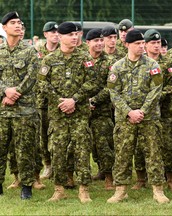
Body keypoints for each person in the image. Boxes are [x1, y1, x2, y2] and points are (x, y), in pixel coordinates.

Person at [38, 22, 101, 203]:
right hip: (58, 114)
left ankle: (83, 189)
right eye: (71, 34)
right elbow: (42, 83)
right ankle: (59, 189)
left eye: (76, 34)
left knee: (82, 150)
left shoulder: (85, 57)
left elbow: (93, 82)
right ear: (60, 36)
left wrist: (74, 99)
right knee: (57, 151)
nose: (75, 37)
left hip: (79, 113)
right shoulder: (49, 59)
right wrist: (61, 101)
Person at [107, 29, 169, 204]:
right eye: (137, 44)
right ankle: (121, 190)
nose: (141, 46)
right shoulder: (117, 67)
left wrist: (141, 111)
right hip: (125, 119)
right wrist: (129, 112)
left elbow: (156, 91)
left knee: (154, 153)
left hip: (148, 118)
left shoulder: (152, 66)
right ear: (127, 45)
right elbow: (113, 92)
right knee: (122, 154)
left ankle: (158, 190)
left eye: (143, 43)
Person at [132, 29, 172, 192]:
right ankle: (141, 178)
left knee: (168, 145)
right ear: (145, 45)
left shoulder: (169, 63)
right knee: (141, 145)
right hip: (145, 113)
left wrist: (157, 95)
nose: (156, 46)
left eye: (158, 43)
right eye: (152, 43)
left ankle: (171, 179)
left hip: (166, 112)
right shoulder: (139, 64)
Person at [0, 11, 39, 199]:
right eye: (13, 23)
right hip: (3, 110)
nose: (18, 25)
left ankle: (26, 186)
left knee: (25, 150)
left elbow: (33, 76)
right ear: (5, 27)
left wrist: (15, 94)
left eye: (20, 23)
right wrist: (5, 91)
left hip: (25, 110)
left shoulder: (29, 51)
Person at [85, 28, 115, 190]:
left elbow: (110, 86)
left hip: (102, 111)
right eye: (96, 40)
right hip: (82, 110)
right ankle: (99, 171)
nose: (99, 43)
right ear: (88, 42)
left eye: (101, 40)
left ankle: (109, 177)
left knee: (104, 144)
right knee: (89, 145)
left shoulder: (109, 62)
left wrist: (94, 100)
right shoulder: (82, 60)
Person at [37, 21, 59, 180]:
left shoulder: (63, 51)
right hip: (40, 101)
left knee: (57, 135)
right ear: (46, 35)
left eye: (57, 32)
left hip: (58, 102)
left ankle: (60, 166)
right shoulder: (37, 51)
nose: (55, 35)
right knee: (42, 135)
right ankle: (47, 165)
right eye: (52, 32)